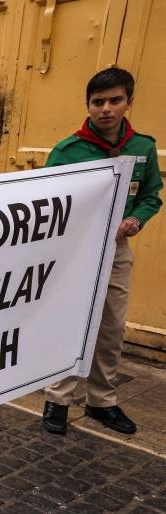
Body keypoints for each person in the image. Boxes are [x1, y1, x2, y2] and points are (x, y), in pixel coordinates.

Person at [41, 67, 162, 436]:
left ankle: (102, 401)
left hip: (116, 252)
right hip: (75, 253)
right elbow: (45, 201)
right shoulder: (67, 151)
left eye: (115, 100)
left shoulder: (142, 147)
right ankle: (57, 399)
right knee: (70, 323)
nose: (106, 108)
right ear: (88, 106)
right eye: (98, 102)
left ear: (129, 102)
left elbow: (150, 196)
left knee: (110, 329)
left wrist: (136, 220)